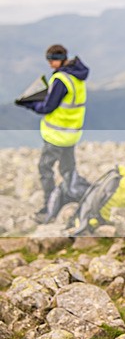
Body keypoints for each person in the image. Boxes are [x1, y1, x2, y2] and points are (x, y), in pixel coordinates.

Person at [18, 45, 90, 223]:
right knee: (67, 168)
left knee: (45, 169)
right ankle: (72, 197)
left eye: (52, 60)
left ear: (61, 58)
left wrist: (29, 104)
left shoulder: (60, 80)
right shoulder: (77, 77)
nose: (50, 64)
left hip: (56, 135)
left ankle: (49, 207)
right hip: (71, 133)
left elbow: (48, 107)